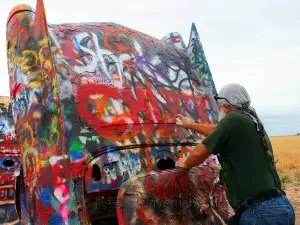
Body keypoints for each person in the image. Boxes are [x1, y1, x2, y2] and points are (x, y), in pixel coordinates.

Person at [175, 83, 295, 224]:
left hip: (261, 213)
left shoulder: (232, 120)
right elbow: (217, 130)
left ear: (226, 106)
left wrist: (185, 162)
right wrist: (190, 125)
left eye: (219, 105)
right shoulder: (249, 120)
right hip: (279, 207)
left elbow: (197, 154)